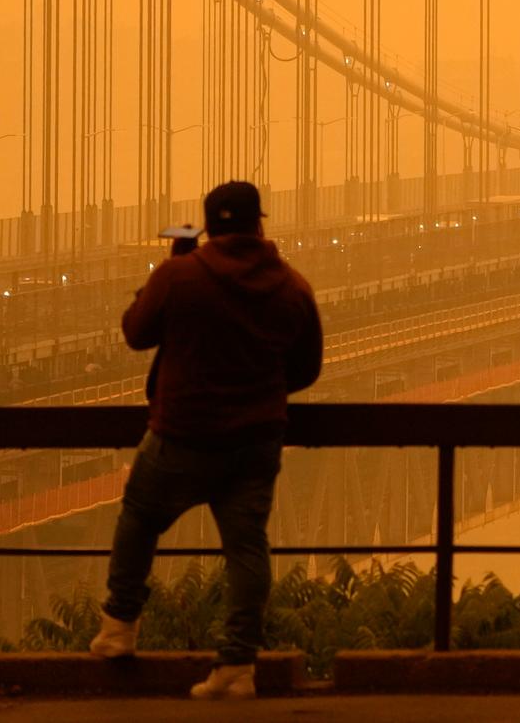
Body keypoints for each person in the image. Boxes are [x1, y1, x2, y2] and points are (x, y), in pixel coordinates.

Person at [90, 181, 323, 701]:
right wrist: (258, 392)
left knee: (139, 517)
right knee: (246, 548)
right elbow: (307, 369)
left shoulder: (180, 275)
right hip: (256, 441)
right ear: (259, 224)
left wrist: (167, 270)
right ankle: (238, 667)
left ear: (207, 227)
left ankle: (119, 629)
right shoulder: (293, 286)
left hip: (182, 437)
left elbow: (135, 332)